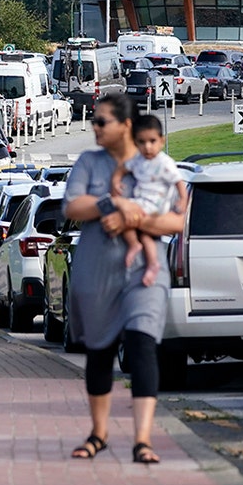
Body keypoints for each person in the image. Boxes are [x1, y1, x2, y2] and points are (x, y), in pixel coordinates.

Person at [63, 94, 185, 465]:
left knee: (141, 344)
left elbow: (177, 221)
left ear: (126, 125)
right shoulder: (89, 162)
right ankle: (98, 434)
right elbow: (72, 206)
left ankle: (142, 440)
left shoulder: (157, 163)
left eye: (102, 122)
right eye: (95, 121)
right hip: (98, 272)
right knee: (99, 351)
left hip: (144, 274)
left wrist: (134, 219)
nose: (94, 128)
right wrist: (111, 204)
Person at [110, 115, 189, 287]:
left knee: (124, 214)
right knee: (145, 235)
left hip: (156, 204)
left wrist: (183, 199)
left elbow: (178, 182)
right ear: (136, 143)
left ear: (162, 141)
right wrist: (116, 180)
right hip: (142, 201)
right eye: (142, 142)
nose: (147, 147)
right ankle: (149, 260)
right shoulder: (138, 161)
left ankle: (134, 246)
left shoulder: (164, 163)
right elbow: (122, 168)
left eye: (152, 141)